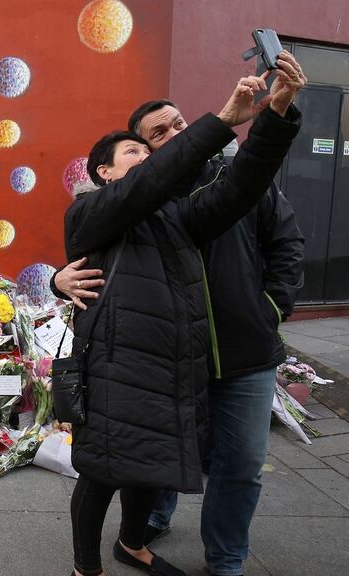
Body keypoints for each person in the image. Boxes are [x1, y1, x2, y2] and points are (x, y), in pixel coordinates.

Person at [56, 53, 307, 576]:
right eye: (136, 150)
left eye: (155, 148)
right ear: (104, 171)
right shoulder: (89, 210)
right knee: (103, 470)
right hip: (117, 366)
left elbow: (241, 188)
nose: (149, 157)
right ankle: (87, 567)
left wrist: (275, 116)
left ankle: (133, 544)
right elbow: (146, 187)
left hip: (172, 365)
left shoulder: (177, 219)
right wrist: (221, 121)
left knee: (151, 464)